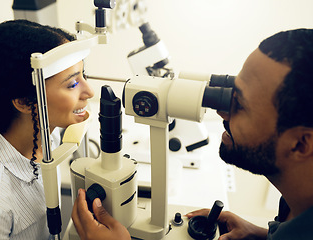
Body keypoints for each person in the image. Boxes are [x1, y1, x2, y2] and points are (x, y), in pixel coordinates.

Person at [72, 28, 313, 240]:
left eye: (240, 105)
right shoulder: (297, 207)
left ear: (301, 144)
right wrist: (263, 235)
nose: (222, 112)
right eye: (230, 92)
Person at [0, 20, 94, 239]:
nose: (90, 92)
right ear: (24, 102)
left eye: (84, 75)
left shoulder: (50, 136)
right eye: (72, 84)